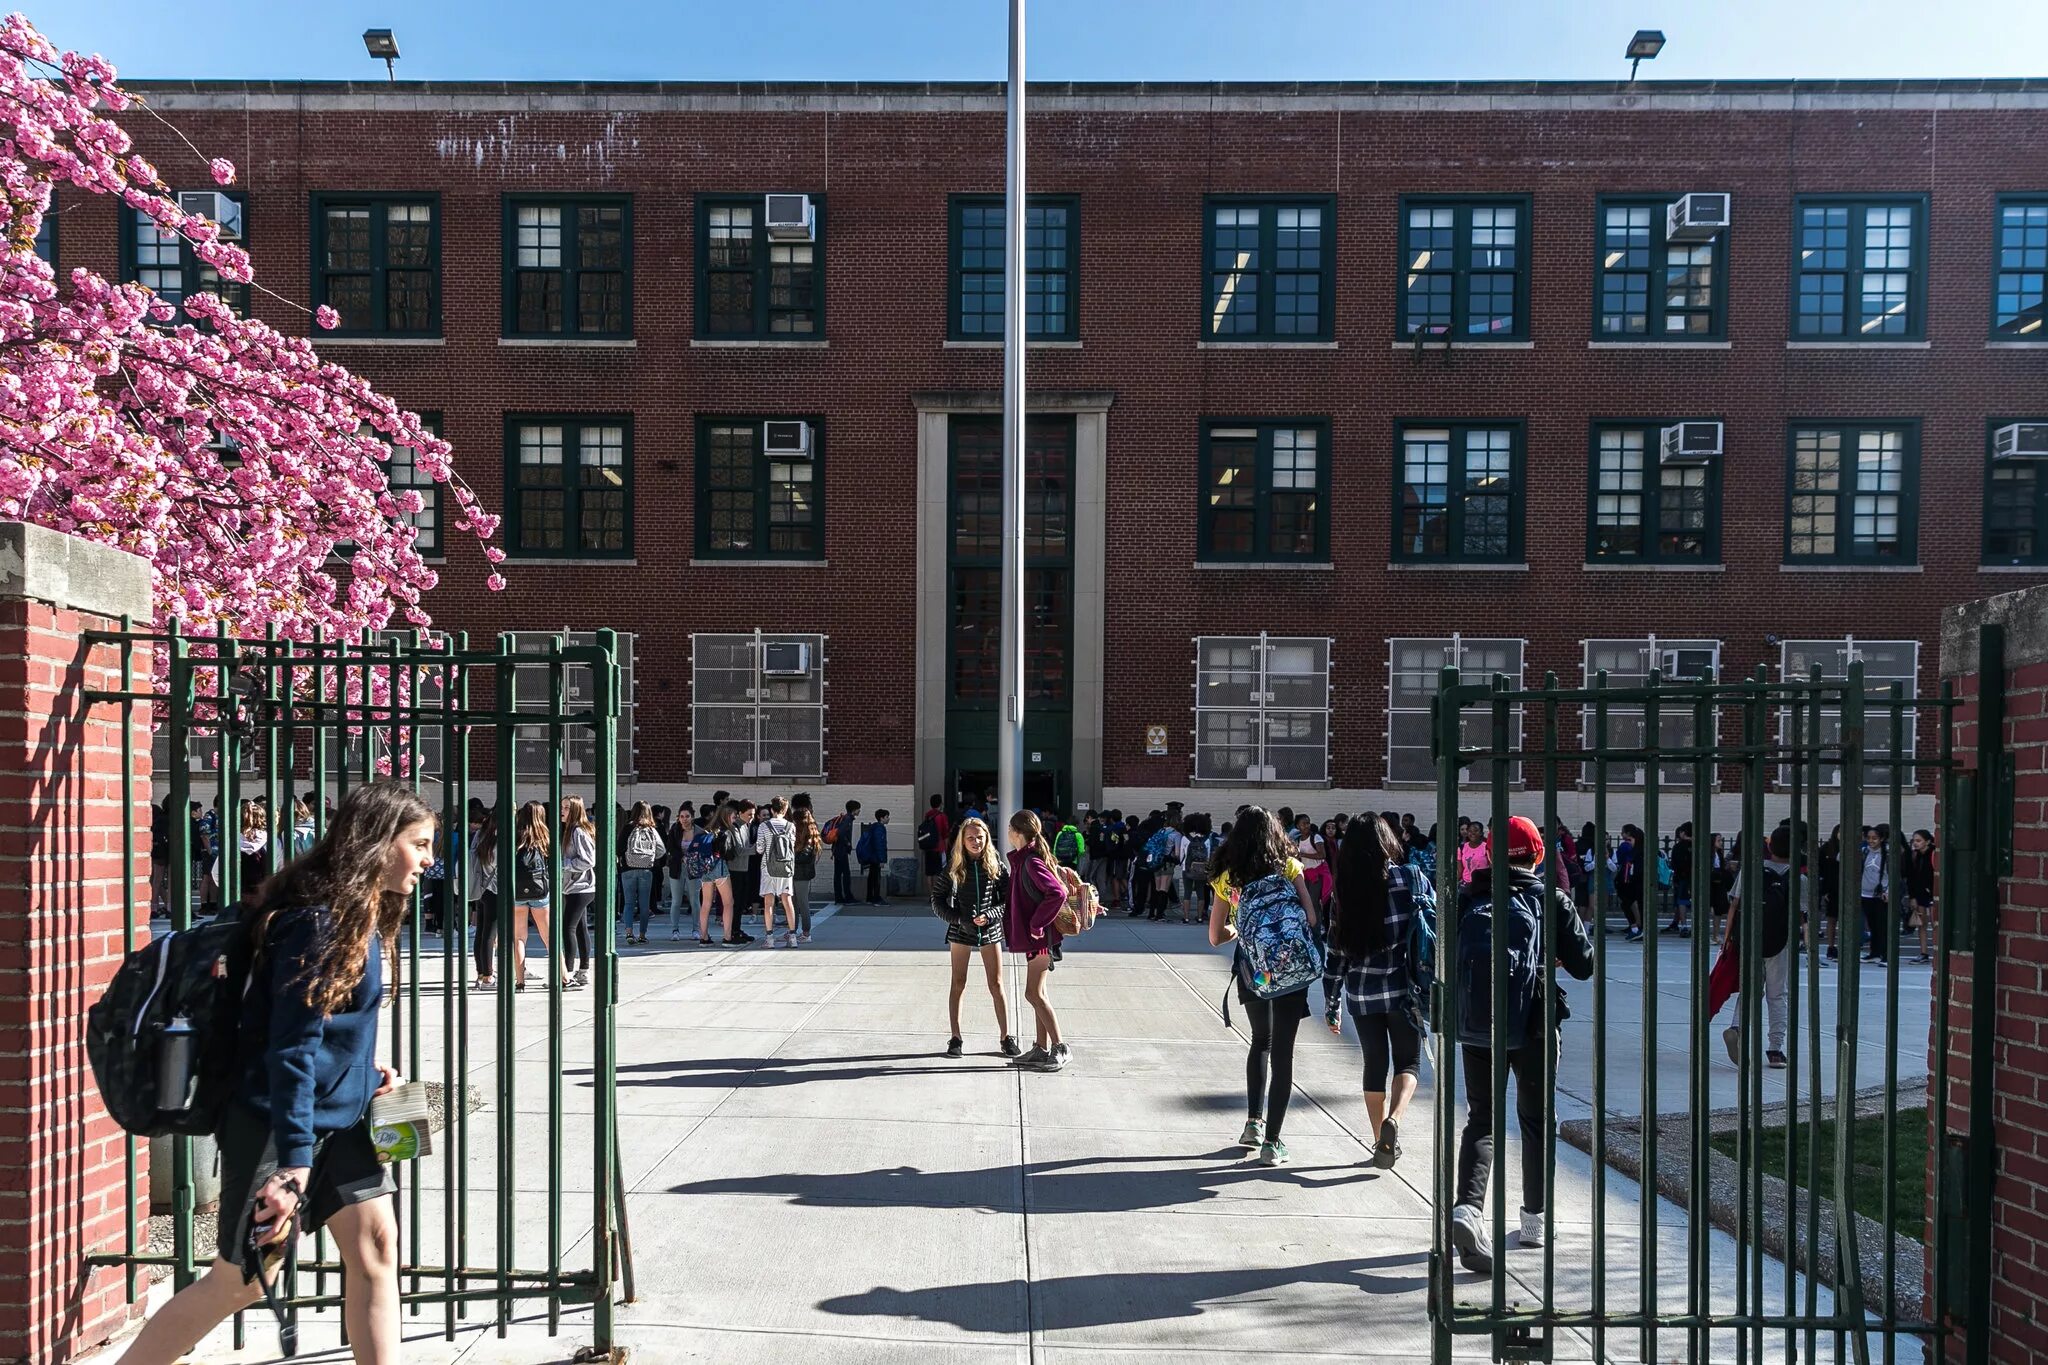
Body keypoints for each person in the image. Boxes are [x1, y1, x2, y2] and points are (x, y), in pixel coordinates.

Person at [117, 782, 434, 1365]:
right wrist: (293, 1161)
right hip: (277, 1126)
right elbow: (290, 1049)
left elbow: (326, 1032)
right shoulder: (317, 924)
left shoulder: (357, 915)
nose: (429, 859)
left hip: (341, 1121)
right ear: (378, 843)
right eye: (419, 844)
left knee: (376, 1252)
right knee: (238, 1281)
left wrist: (366, 1072)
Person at [1447, 815, 1596, 1276]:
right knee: (1536, 1119)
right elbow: (1585, 965)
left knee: (1482, 1118)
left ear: (1488, 854)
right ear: (1538, 855)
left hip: (1477, 1024)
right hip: (1534, 1022)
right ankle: (1534, 1219)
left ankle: (1468, 1209)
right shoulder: (1551, 899)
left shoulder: (1468, 896)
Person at [1208, 805, 1319, 1168]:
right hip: (1289, 967)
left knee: (1261, 1041)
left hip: (1254, 969)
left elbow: (1215, 936)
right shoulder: (1288, 867)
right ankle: (1273, 1143)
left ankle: (1253, 1124)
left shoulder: (1227, 876)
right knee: (1283, 1051)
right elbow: (1312, 917)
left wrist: (1246, 931)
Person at [1323, 813, 1429, 1168]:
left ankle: (1378, 1144)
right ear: (1387, 841)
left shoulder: (1344, 891)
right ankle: (1394, 1120)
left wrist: (1331, 999)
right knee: (1408, 1062)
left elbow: (1335, 950)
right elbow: (1432, 927)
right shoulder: (1409, 878)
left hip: (1361, 993)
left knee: (1374, 1063)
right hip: (1404, 989)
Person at [1708, 824, 1799, 1072]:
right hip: (1780, 943)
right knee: (1777, 995)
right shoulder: (1798, 878)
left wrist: (1727, 940)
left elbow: (1734, 907)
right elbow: (1802, 918)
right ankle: (1775, 1049)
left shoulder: (1750, 871)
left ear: (1769, 845)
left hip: (1749, 940)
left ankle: (1737, 1028)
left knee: (1750, 990)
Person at [931, 816, 1020, 1059]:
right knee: (958, 983)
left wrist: (990, 915)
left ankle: (1005, 1037)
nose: (975, 841)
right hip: (961, 931)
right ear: (962, 839)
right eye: (970, 837)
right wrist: (959, 919)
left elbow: (1007, 900)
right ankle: (956, 1038)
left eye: (980, 837)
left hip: (990, 931)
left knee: (997, 984)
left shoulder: (996, 864)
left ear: (987, 838)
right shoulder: (954, 866)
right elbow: (936, 901)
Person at [1005, 810, 1070, 1071]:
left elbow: (1057, 893)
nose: (1007, 832)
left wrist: (1036, 924)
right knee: (1037, 994)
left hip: (1040, 940)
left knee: (1033, 993)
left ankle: (1060, 1048)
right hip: (1037, 939)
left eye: (1010, 828)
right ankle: (1041, 1049)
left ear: (1017, 832)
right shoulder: (1024, 860)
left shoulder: (1030, 862)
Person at [509, 801, 561, 991]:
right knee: (549, 937)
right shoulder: (545, 836)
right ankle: (561, 977)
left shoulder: (515, 836)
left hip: (517, 892)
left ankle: (520, 981)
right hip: (540, 891)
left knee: (519, 938)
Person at [695, 803, 745, 946]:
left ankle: (703, 937)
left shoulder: (708, 830)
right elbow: (728, 854)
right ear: (727, 816)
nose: (734, 819)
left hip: (705, 868)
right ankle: (727, 937)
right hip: (720, 868)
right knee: (728, 903)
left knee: (706, 904)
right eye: (733, 817)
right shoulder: (726, 832)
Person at [560, 798, 596, 988]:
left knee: (568, 927)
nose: (562, 810)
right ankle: (583, 970)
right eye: (562, 807)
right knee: (580, 928)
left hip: (581, 887)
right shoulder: (569, 830)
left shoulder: (578, 831)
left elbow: (589, 860)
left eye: (566, 807)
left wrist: (565, 866)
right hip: (573, 887)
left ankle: (568, 972)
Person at [756, 796, 800, 948]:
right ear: (785, 809)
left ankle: (769, 939)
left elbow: (759, 848)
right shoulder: (790, 826)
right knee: (787, 901)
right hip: (786, 868)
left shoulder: (763, 826)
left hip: (768, 867)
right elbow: (792, 847)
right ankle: (793, 937)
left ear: (772, 810)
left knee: (769, 903)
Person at [619, 801, 663, 946]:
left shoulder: (628, 827)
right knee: (644, 905)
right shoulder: (651, 829)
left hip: (628, 869)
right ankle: (642, 935)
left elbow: (619, 848)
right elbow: (661, 849)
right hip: (646, 869)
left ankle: (629, 933)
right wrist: (651, 857)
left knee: (629, 903)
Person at [469, 806, 499, 991]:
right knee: (490, 933)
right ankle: (487, 976)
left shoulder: (482, 834)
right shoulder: (498, 837)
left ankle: (481, 972)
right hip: (495, 887)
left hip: (481, 886)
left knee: (482, 931)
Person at [666, 806, 701, 941]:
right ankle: (675, 930)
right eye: (682, 816)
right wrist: (681, 856)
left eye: (687, 816)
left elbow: (703, 849)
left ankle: (696, 929)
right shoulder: (674, 831)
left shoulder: (699, 832)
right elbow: (670, 848)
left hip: (694, 869)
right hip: (677, 868)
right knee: (676, 900)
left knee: (694, 900)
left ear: (692, 817)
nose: (684, 819)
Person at [790, 805, 824, 944]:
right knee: (795, 903)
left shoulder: (807, 837)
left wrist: (790, 856)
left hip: (801, 873)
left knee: (802, 903)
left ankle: (805, 932)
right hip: (801, 873)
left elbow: (803, 857)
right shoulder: (810, 834)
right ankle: (795, 930)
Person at [1860, 824, 1892, 966]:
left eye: (1875, 838)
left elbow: (1890, 873)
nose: (1871, 841)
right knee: (1872, 925)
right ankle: (1875, 953)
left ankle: (1885, 954)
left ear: (1882, 839)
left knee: (1882, 926)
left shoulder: (1887, 853)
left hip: (1880, 894)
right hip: (1865, 893)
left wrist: (1887, 890)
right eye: (1869, 838)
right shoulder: (1864, 851)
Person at [1905, 829, 1937, 965]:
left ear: (1928, 842)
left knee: (1935, 922)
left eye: (1919, 841)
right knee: (1921, 924)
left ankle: (1937, 952)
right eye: (1914, 841)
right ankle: (1923, 952)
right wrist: (1912, 896)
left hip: (1933, 893)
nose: (1916, 844)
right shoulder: (1915, 856)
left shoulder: (1933, 854)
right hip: (1919, 893)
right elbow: (1911, 877)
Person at [1182, 814, 1217, 926]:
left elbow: (1181, 855)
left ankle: (1186, 917)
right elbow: (1209, 855)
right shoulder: (1207, 839)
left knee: (1187, 893)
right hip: (1202, 869)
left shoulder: (1185, 838)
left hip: (1187, 869)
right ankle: (1200, 917)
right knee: (1200, 893)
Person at [1613, 824, 1645, 941]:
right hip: (1634, 881)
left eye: (1630, 840)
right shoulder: (1641, 851)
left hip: (1631, 881)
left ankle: (1637, 927)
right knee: (1633, 903)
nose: (1628, 842)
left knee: (1630, 903)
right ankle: (1638, 927)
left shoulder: (1634, 852)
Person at [827, 799, 861, 906]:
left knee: (838, 874)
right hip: (841, 850)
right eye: (858, 809)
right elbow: (841, 833)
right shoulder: (847, 819)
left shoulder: (845, 818)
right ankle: (847, 897)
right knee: (845, 874)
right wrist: (848, 843)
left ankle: (839, 897)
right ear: (854, 810)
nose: (859, 811)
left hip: (837, 849)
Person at [917, 794, 952, 886]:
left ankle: (931, 896)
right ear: (940, 803)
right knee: (939, 872)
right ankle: (937, 896)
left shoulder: (928, 815)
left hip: (928, 846)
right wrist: (947, 848)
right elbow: (945, 834)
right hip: (939, 847)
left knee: (929, 873)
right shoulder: (942, 816)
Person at [858, 809, 891, 905]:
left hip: (872, 856)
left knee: (872, 877)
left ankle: (870, 897)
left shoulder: (873, 827)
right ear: (881, 818)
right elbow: (880, 844)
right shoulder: (880, 829)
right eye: (887, 817)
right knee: (876, 877)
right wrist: (882, 860)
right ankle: (876, 898)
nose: (888, 818)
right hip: (876, 857)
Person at [1668, 822, 1695, 937]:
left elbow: (1674, 863)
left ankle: (1683, 925)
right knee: (1683, 901)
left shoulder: (1679, 846)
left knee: (1681, 901)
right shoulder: (1697, 845)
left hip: (1682, 877)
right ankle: (1676, 922)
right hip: (1694, 876)